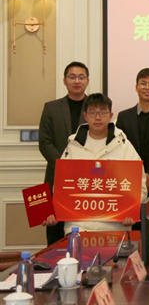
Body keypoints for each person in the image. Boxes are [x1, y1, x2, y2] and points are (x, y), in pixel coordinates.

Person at [43, 93, 147, 234]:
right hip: (78, 226)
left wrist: (131, 210)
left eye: (103, 112)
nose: (98, 117)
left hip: (115, 226)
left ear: (110, 116)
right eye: (92, 112)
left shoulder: (124, 146)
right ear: (85, 116)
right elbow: (61, 184)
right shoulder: (73, 145)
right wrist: (56, 210)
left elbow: (139, 184)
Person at [38, 61, 89, 245]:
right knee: (55, 234)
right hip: (56, 176)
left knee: (84, 233)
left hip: (86, 179)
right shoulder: (51, 108)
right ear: (64, 80)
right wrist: (64, 164)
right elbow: (45, 143)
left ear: (87, 81)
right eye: (72, 77)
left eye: (81, 77)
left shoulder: (95, 109)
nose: (77, 81)